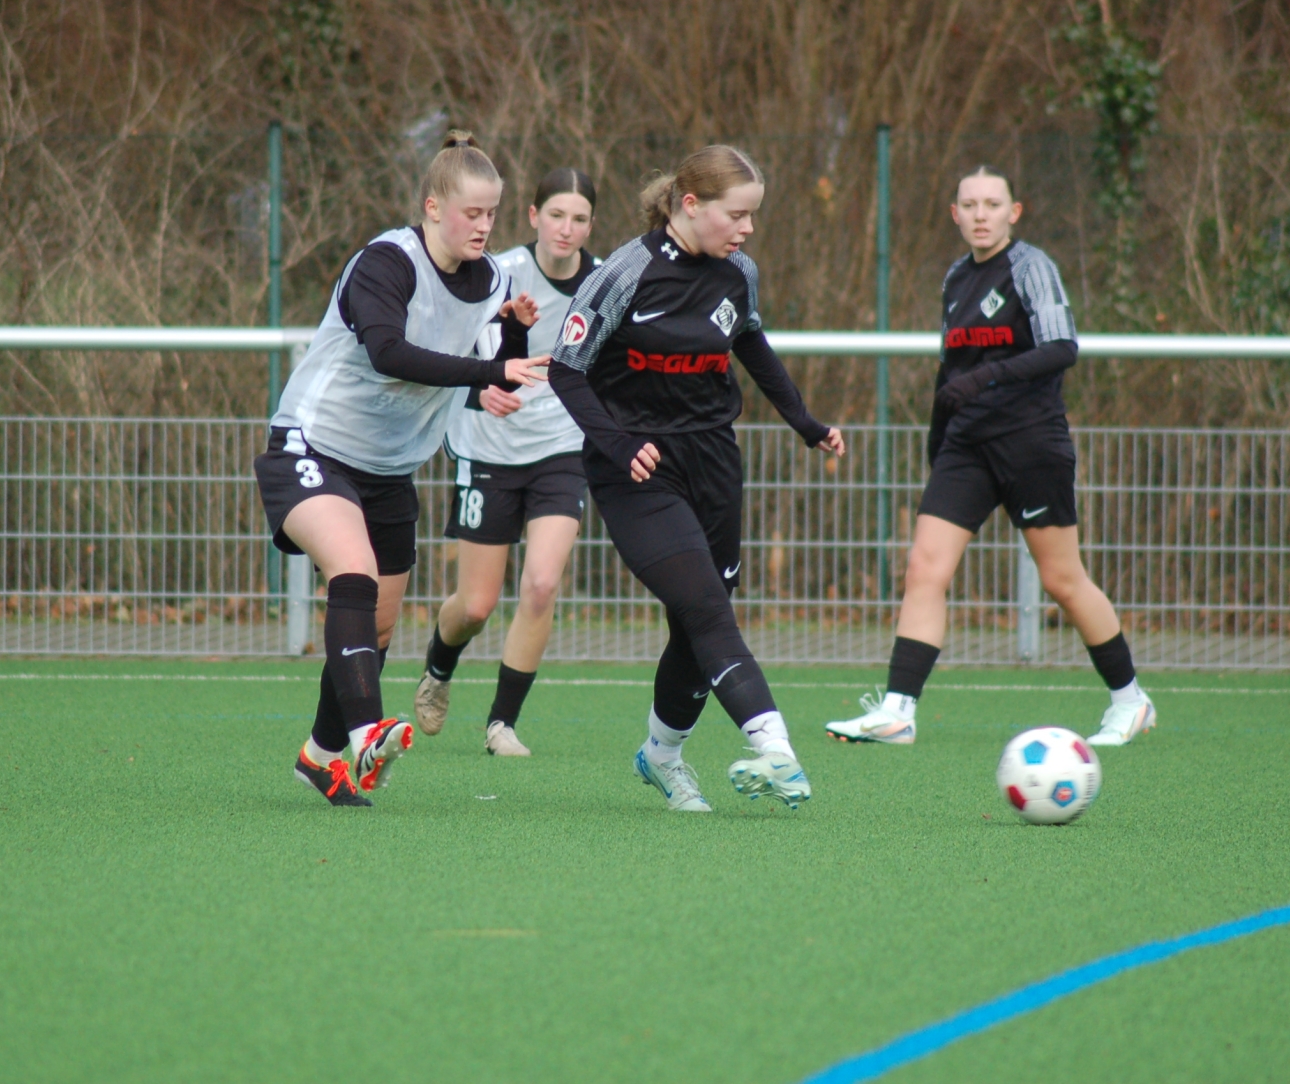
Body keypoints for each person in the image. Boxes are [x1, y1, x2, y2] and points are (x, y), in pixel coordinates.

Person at [254, 131, 547, 806]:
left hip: (390, 469)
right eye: (471, 213)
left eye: (492, 213)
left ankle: (319, 755)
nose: (484, 226)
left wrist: (505, 353)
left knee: (379, 628)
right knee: (352, 571)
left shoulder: (493, 280)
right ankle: (367, 734)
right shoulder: (386, 263)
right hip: (314, 445)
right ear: (433, 207)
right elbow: (389, 354)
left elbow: (474, 361)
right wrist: (487, 372)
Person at [550, 145, 846, 812]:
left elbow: (751, 343)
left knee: (696, 624)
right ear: (690, 204)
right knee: (708, 608)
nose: (747, 229)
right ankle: (776, 749)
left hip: (714, 462)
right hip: (638, 470)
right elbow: (567, 368)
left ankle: (661, 756)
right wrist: (619, 443)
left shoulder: (739, 271)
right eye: (736, 215)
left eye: (752, 215)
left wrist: (804, 423)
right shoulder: (625, 273)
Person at [824, 166, 1156, 749]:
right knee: (924, 567)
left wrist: (985, 380)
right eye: (970, 205)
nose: (981, 214)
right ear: (955, 214)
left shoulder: (1031, 268)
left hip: (1030, 442)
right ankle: (898, 711)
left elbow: (1062, 348)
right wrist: (938, 439)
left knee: (1062, 579)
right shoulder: (956, 278)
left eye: (993, 204)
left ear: (1013, 213)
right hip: (966, 448)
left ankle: (1131, 702)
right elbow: (950, 371)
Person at [414, 168, 602, 757]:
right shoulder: (499, 274)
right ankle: (438, 669)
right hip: (488, 449)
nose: (566, 229)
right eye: (556, 215)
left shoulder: (605, 284)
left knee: (542, 584)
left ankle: (502, 724)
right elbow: (448, 351)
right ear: (533, 216)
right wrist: (480, 390)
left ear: (591, 226)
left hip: (561, 449)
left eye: (579, 219)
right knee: (475, 606)